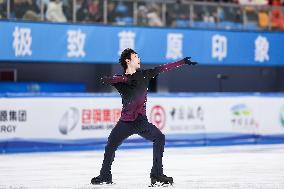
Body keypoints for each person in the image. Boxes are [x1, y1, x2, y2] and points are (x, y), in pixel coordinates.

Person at [91, 48, 197, 186]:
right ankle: (105, 176)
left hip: (140, 121)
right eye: (136, 57)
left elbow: (163, 68)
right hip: (125, 122)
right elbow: (105, 80)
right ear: (127, 60)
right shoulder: (120, 80)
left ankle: (157, 175)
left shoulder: (145, 75)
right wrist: (124, 79)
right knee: (111, 144)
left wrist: (182, 62)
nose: (139, 59)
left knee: (159, 137)